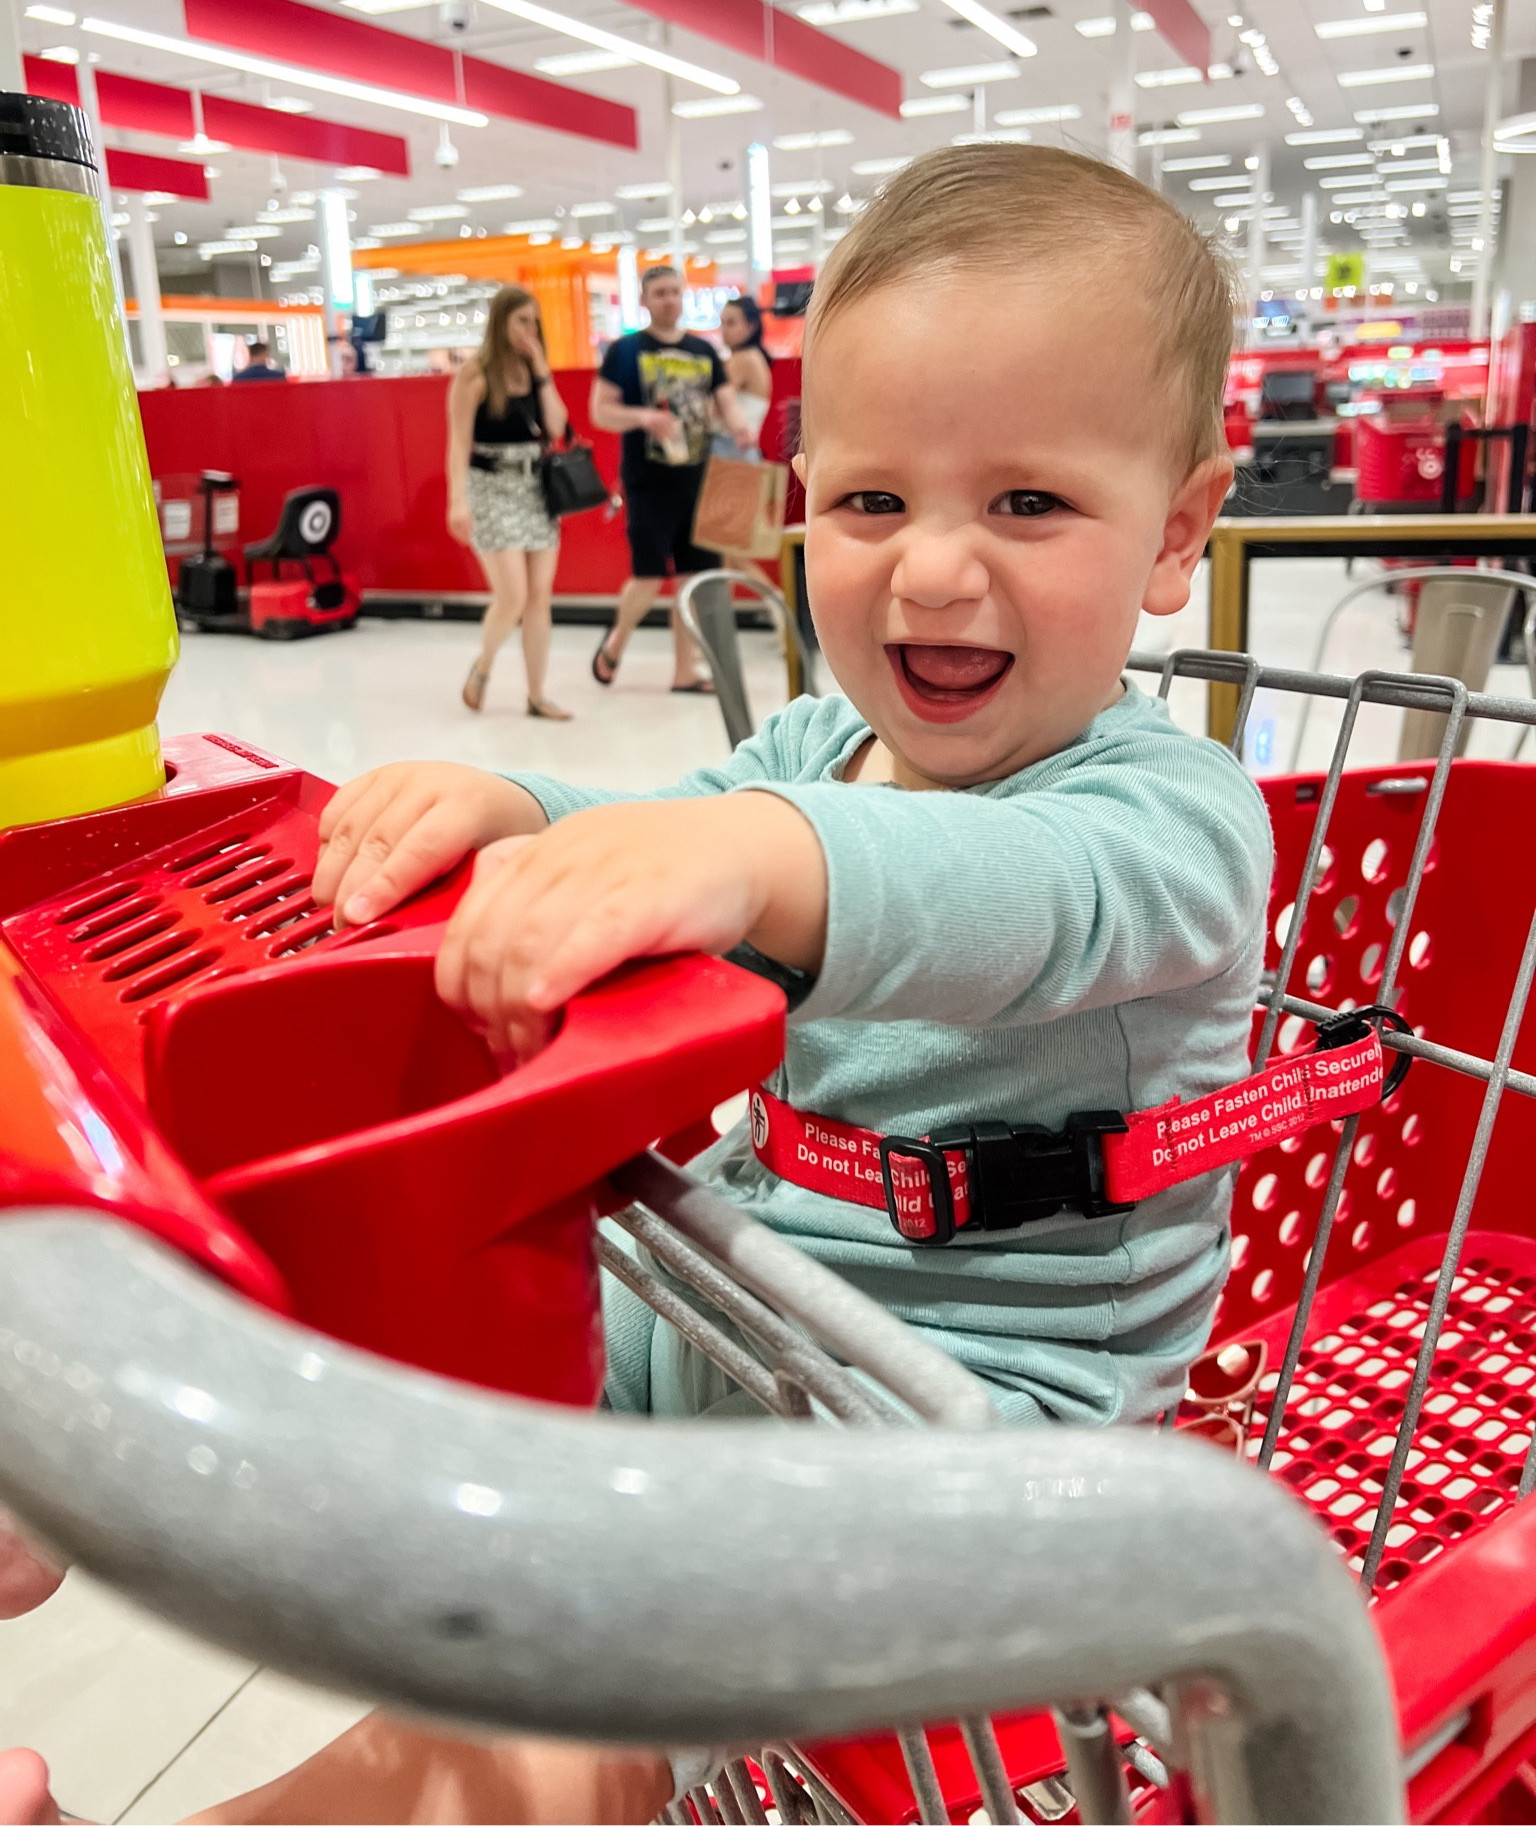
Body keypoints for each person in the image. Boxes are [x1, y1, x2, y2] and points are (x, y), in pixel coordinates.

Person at [3, 143, 1271, 1825]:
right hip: (756, 1307)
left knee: (596, 1666)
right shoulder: (830, 739)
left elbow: (1007, 900)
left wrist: (754, 858)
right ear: (804, 493)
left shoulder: (1170, 814)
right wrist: (524, 809)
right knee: (403, 1330)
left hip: (988, 1423)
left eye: (1027, 503)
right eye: (874, 499)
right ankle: (84, 1452)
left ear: (1177, 533)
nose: (935, 568)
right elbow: (678, 824)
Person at [587, 265, 753, 693]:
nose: (669, 300)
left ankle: (686, 670)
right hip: (648, 482)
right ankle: (615, 643)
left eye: (675, 292)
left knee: (693, 580)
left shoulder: (703, 351)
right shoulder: (624, 352)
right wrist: (642, 416)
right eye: (660, 293)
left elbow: (726, 400)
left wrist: (740, 427)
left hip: (697, 478)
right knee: (647, 576)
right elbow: (599, 412)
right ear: (644, 300)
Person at [447, 285, 572, 721]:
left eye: (534, 321)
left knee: (540, 596)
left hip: (537, 488)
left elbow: (557, 427)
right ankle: (483, 665)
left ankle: (537, 695)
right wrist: (457, 501)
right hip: (491, 486)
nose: (529, 330)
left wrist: (541, 369)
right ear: (500, 323)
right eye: (521, 321)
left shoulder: (533, 370)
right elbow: (459, 440)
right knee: (512, 595)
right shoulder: (476, 374)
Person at [712, 295, 773, 462]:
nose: (724, 329)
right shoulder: (751, 356)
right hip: (738, 449)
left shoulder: (744, 358)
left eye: (731, 323)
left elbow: (715, 404)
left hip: (733, 449)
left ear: (751, 326)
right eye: (722, 322)